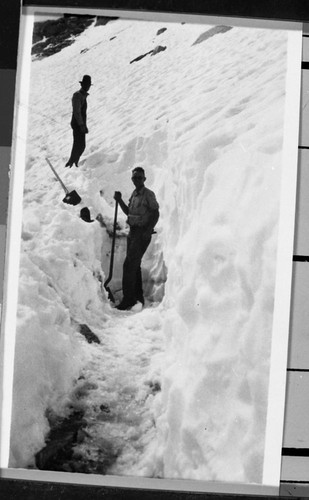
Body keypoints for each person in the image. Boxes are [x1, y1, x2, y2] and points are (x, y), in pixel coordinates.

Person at [114, 167, 159, 310]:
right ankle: (137, 297)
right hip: (133, 232)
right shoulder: (134, 195)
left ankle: (129, 299)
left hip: (141, 234)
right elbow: (129, 212)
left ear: (144, 179)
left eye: (140, 177)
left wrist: (147, 231)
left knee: (128, 265)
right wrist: (120, 200)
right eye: (135, 178)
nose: (137, 180)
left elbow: (155, 213)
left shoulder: (148, 194)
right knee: (134, 265)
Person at [65, 75, 92, 168]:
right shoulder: (77, 95)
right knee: (78, 144)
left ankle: (74, 161)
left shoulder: (83, 96)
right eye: (86, 85)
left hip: (80, 123)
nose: (88, 87)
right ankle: (71, 163)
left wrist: (84, 125)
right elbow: (77, 112)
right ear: (82, 84)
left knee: (81, 145)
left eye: (89, 85)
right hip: (77, 124)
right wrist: (81, 125)